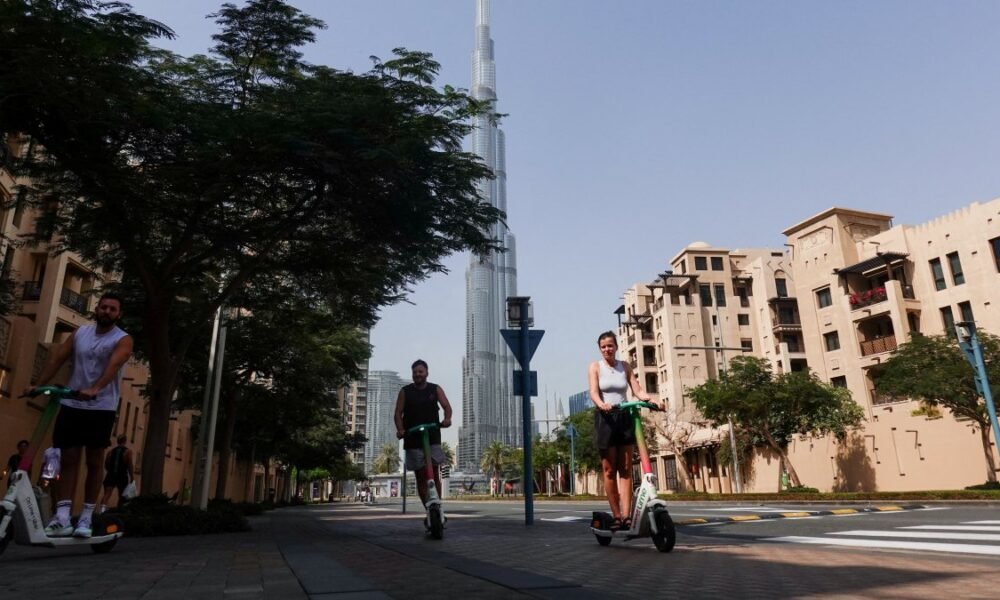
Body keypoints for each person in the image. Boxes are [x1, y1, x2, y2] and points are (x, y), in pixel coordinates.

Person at [27, 293, 133, 538]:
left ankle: (86, 516)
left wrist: (96, 388)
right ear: (97, 309)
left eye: (112, 309)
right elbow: (58, 358)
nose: (107, 311)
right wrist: (37, 385)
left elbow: (115, 364)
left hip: (101, 406)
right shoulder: (80, 333)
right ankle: (62, 516)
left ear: (119, 314)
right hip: (71, 402)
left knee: (94, 461)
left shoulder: (122, 339)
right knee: (68, 459)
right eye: (104, 307)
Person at [588, 331, 662, 531]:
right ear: (600, 349)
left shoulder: (625, 366)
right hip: (606, 417)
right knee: (609, 470)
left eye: (610, 346)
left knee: (626, 468)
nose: (607, 349)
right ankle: (617, 516)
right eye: (603, 347)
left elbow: (637, 390)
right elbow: (593, 391)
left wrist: (652, 400)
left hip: (624, 415)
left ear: (616, 347)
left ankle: (627, 516)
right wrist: (601, 404)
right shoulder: (595, 367)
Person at [394, 359, 452, 511]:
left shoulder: (435, 389)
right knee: (420, 476)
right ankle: (429, 510)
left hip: (432, 436)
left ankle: (437, 507)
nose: (417, 374)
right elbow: (398, 413)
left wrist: (447, 419)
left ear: (426, 373)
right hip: (412, 438)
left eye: (420, 371)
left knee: (434, 474)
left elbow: (447, 406)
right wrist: (400, 429)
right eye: (415, 372)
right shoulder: (405, 391)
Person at [97, 434, 134, 512]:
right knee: (122, 495)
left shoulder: (110, 452)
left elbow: (106, 464)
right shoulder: (128, 452)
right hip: (122, 475)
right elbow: (130, 465)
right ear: (125, 441)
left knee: (107, 494)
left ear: (117, 441)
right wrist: (132, 477)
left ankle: (102, 510)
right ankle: (119, 511)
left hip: (111, 475)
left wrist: (110, 471)